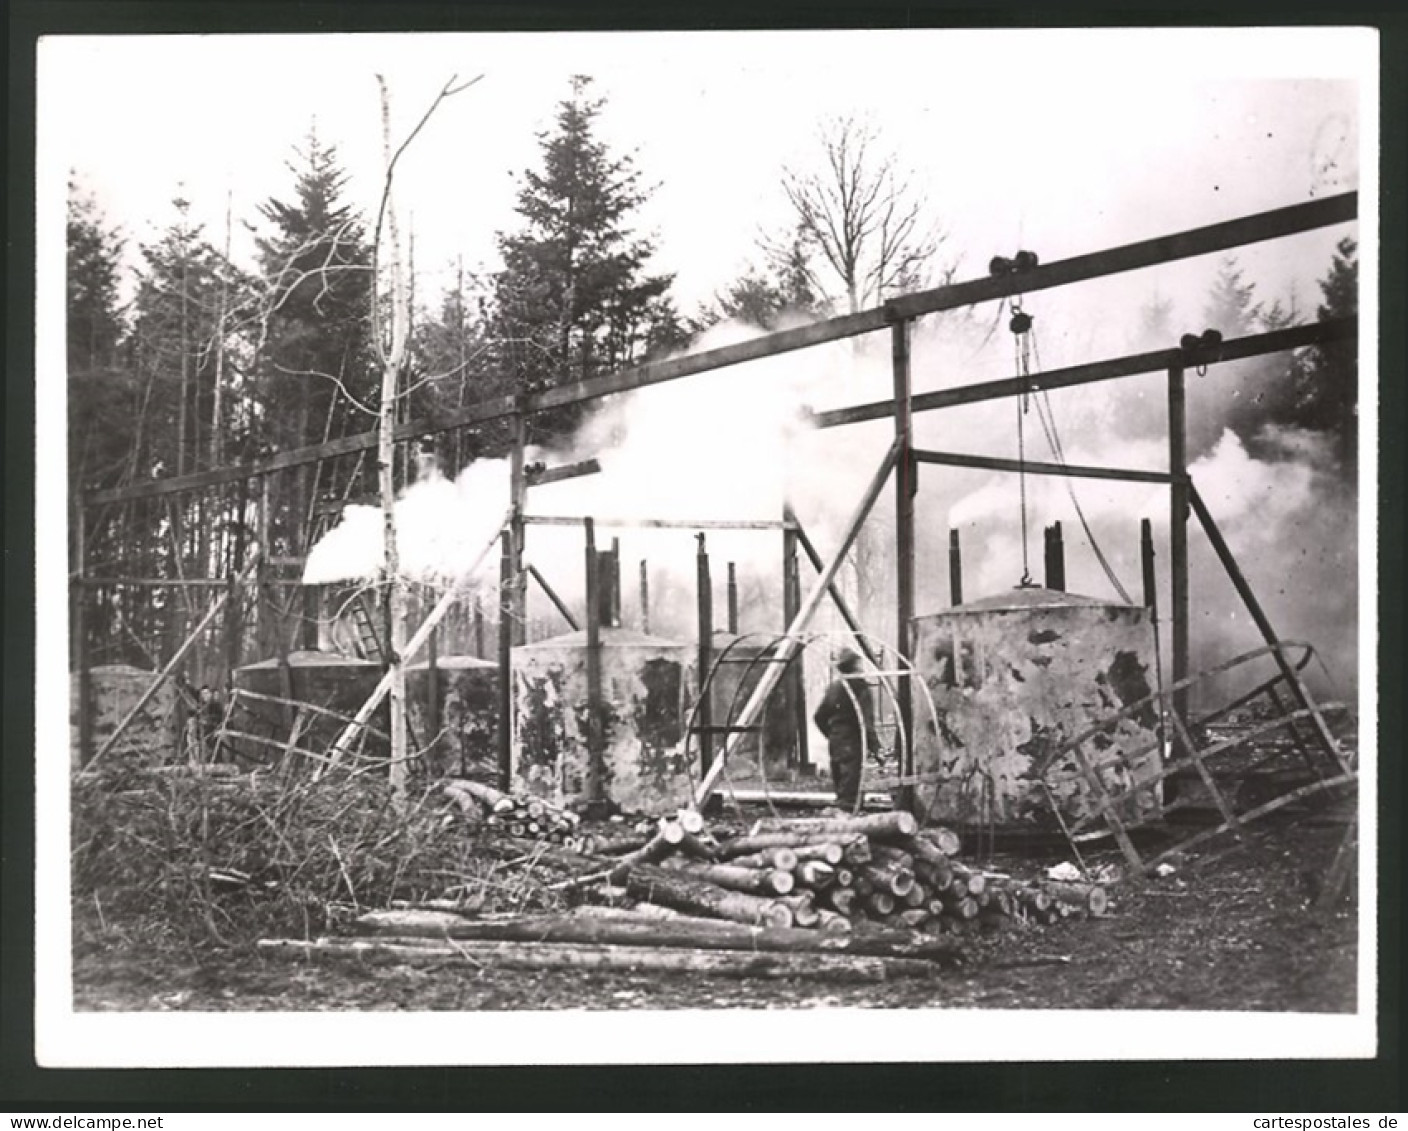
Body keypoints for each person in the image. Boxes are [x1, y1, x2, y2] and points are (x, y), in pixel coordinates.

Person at [812, 647, 878, 811]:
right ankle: (850, 822)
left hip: (837, 740)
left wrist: (832, 734)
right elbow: (866, 721)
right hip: (854, 740)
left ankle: (841, 819)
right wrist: (875, 747)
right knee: (852, 787)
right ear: (855, 666)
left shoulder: (834, 687)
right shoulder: (861, 687)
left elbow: (819, 716)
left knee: (840, 781)